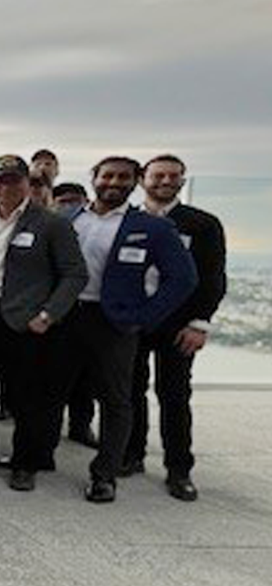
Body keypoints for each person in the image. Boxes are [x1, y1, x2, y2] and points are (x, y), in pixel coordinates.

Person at [49, 156, 197, 503]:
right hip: (65, 317)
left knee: (116, 400)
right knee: (49, 391)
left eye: (123, 177)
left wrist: (146, 316)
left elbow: (183, 278)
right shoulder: (67, 219)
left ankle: (105, 474)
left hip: (114, 321)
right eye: (107, 175)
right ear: (93, 178)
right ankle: (36, 458)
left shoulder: (152, 226)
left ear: (136, 182)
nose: (113, 182)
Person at [0, 155, 87, 492]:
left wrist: (48, 315)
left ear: (27, 183)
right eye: (0, 181)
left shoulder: (51, 224)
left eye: (14, 180)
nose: (6, 187)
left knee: (25, 397)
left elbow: (75, 273)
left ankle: (25, 463)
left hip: (23, 321)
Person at [124, 155, 225, 501]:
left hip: (179, 325)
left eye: (173, 176)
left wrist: (199, 324)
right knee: (129, 391)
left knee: (175, 396)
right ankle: (131, 455)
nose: (165, 181)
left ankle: (179, 469)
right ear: (142, 180)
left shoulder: (201, 224)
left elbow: (213, 279)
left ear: (182, 181)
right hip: (133, 322)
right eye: (158, 175)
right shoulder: (128, 219)